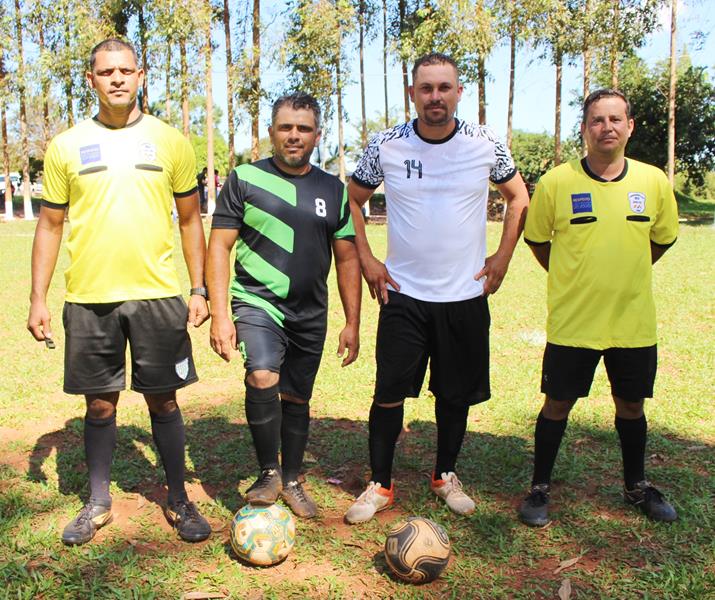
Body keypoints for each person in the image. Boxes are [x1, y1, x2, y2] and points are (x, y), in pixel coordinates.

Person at [27, 38, 211, 545]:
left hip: (156, 296)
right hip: (90, 299)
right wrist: (38, 297)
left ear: (141, 76)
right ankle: (98, 502)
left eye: (126, 71)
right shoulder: (65, 145)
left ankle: (178, 498)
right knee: (100, 405)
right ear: (92, 80)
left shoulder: (171, 141)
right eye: (106, 72)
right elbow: (49, 226)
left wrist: (198, 288)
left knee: (164, 401)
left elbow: (191, 220)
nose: (117, 79)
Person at [344, 53, 529, 524]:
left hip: (464, 296)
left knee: (454, 395)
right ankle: (380, 485)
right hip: (403, 295)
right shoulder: (386, 145)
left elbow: (518, 197)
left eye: (444, 88)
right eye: (426, 89)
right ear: (412, 94)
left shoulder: (486, 144)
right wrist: (368, 259)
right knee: (389, 392)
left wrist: (502, 258)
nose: (435, 97)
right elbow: (352, 199)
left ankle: (445, 475)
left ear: (459, 92)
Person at [518, 89, 679, 527]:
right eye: (596, 120)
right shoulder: (556, 182)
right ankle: (540, 488)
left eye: (615, 119)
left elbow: (661, 240)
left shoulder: (653, 182)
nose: (606, 127)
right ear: (584, 128)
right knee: (557, 404)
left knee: (631, 407)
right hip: (574, 323)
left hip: (632, 323)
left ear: (629, 126)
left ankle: (636, 486)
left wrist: (625, 272)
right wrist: (573, 278)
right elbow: (537, 239)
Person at [206, 92, 361, 519]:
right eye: (286, 127)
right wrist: (220, 314)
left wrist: (353, 322)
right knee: (260, 375)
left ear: (316, 135)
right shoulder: (244, 179)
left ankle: (291, 479)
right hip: (257, 301)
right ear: (272, 132)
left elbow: (347, 256)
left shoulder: (333, 189)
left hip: (310, 312)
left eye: (304, 129)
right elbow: (219, 247)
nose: (295, 136)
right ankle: (267, 472)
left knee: (295, 397)